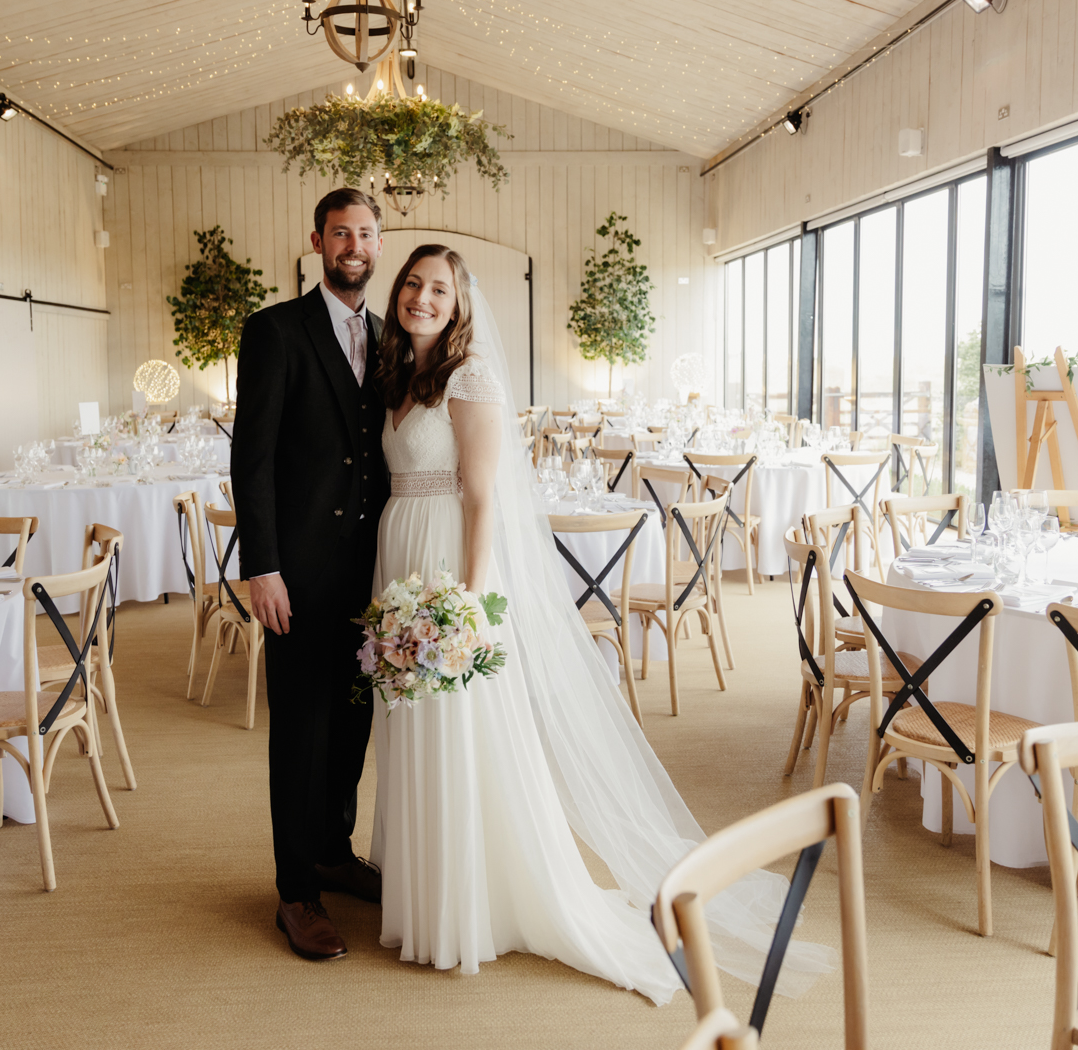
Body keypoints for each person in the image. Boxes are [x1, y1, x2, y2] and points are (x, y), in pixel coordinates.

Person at [368, 244, 832, 1003]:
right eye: (413, 285)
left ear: (459, 304)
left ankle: (465, 909)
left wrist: (472, 607)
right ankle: (423, 894)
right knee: (413, 726)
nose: (422, 298)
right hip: (400, 559)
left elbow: (482, 497)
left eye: (438, 289)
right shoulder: (396, 378)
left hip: (450, 568)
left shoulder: (469, 376)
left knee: (459, 727)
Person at [230, 187, 391, 961]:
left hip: (372, 576)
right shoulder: (274, 330)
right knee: (300, 729)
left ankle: (333, 848)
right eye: (340, 234)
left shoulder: (392, 338)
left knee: (354, 721)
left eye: (364, 233)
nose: (352, 245)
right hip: (295, 572)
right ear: (318, 243)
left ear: (378, 244)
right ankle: (296, 891)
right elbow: (251, 458)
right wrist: (260, 566)